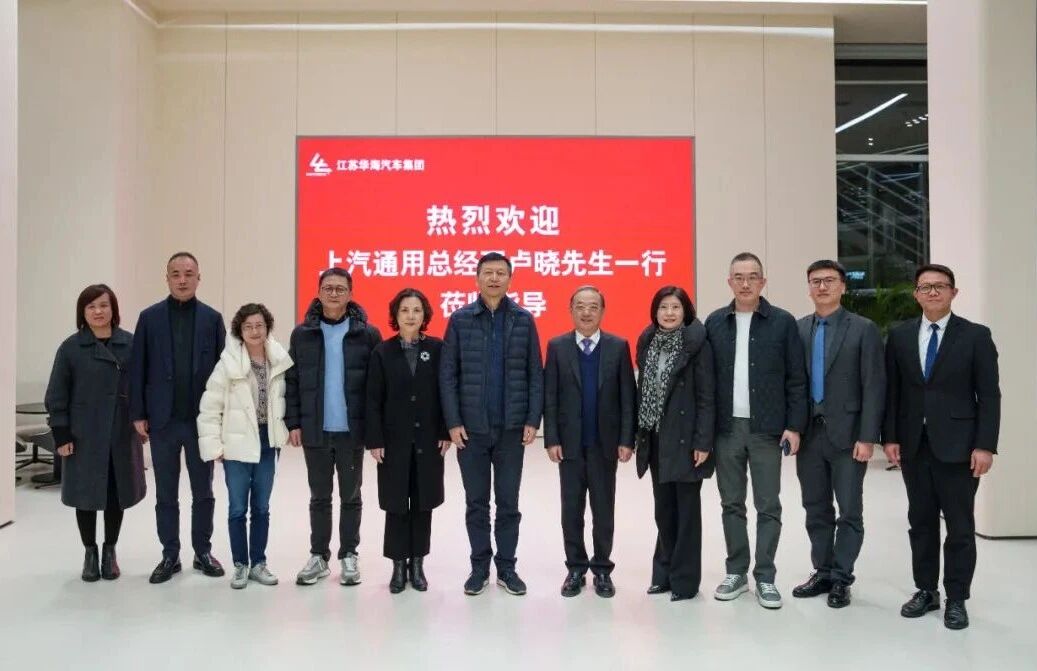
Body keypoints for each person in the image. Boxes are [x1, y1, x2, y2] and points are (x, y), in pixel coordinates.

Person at [883, 264, 1000, 630]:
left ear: (953, 292)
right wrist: (890, 437)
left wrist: (985, 445)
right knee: (920, 522)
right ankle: (926, 590)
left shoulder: (976, 336)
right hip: (914, 446)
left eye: (940, 286)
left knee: (960, 526)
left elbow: (990, 396)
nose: (932, 292)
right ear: (916, 294)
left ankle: (957, 598)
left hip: (960, 448)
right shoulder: (900, 336)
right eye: (925, 287)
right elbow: (893, 392)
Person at [704, 251, 808, 609]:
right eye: (738, 277)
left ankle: (765, 576)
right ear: (729, 282)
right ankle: (736, 571)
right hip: (726, 429)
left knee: (768, 505)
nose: (745, 283)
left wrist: (794, 426)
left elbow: (796, 379)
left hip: (767, 429)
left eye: (752, 277)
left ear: (763, 282)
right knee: (731, 503)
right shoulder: (715, 323)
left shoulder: (782, 322)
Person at [440, 252, 544, 596]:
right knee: (476, 503)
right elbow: (448, 375)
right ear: (477, 278)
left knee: (508, 504)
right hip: (471, 430)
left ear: (510, 280)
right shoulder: (460, 320)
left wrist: (532, 419)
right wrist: (452, 421)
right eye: (488, 273)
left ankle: (507, 568)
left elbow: (535, 373)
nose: (494, 278)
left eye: (501, 273)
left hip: (511, 430)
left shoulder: (524, 320)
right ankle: (479, 567)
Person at [792, 260, 885, 608]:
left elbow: (874, 385)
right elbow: (793, 384)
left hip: (849, 436)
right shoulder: (799, 329)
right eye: (815, 281)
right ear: (808, 288)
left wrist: (868, 436)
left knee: (849, 510)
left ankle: (842, 578)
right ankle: (823, 571)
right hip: (809, 434)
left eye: (829, 280)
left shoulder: (863, 329)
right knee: (815, 507)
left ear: (843, 287)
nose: (822, 287)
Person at [130, 252, 226, 584]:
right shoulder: (149, 318)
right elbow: (138, 368)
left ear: (199, 278)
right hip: (163, 422)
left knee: (204, 492)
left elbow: (223, 372)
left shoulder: (212, 319)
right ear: (167, 278)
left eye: (188, 273)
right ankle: (170, 554)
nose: (182, 280)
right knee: (166, 493)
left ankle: (202, 551)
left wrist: (221, 418)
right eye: (175, 274)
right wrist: (138, 413)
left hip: (201, 422)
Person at [285, 268, 382, 587]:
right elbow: (292, 380)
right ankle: (319, 556)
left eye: (341, 289)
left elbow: (376, 387)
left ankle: (349, 554)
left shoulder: (367, 334)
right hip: (316, 429)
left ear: (350, 294)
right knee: (319, 496)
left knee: (351, 496)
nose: (334, 294)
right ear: (318, 292)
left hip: (351, 431)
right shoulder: (302, 334)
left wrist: (375, 430)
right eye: (328, 288)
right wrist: (294, 422)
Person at [45, 284, 146, 582]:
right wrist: (61, 434)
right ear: (83, 312)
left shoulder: (130, 344)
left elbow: (143, 386)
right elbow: (56, 394)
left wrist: (143, 420)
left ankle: (109, 551)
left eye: (104, 305)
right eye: (91, 307)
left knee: (116, 493)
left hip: (120, 432)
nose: (98, 311)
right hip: (83, 434)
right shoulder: (71, 348)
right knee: (85, 496)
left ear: (113, 309)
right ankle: (89, 551)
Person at [543, 286, 636, 598]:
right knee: (571, 510)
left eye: (593, 306)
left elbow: (628, 397)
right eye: (580, 306)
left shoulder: (618, 346)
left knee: (603, 510)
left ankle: (602, 569)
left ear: (602, 311)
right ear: (570, 310)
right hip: (569, 445)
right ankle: (575, 568)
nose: (586, 312)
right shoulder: (557, 346)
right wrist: (551, 438)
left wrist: (626, 439)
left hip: (604, 445)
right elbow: (550, 397)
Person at [197, 304, 293, 589]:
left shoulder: (278, 360)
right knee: (238, 508)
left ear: (267, 328)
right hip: (236, 444)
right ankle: (240, 564)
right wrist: (215, 446)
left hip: (267, 443)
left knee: (261, 507)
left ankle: (259, 563)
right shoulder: (227, 364)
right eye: (248, 326)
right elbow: (210, 407)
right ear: (240, 330)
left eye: (259, 325)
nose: (254, 331)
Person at [365, 289, 452, 594]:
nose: (411, 316)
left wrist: (445, 431)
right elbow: (372, 400)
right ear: (395, 315)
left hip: (428, 441)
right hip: (394, 442)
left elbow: (446, 393)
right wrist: (375, 440)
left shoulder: (438, 349)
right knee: (396, 503)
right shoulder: (382, 352)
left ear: (424, 315)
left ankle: (417, 564)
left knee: (423, 503)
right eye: (405, 310)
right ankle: (398, 565)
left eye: (416, 310)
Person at [634, 286, 715, 601]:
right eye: (663, 307)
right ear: (655, 311)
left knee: (687, 514)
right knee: (664, 511)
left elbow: (707, 398)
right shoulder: (648, 342)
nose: (669, 313)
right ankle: (663, 574)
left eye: (675, 307)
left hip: (686, 441)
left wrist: (703, 441)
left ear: (686, 312)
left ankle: (685, 582)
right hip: (656, 438)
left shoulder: (697, 345)